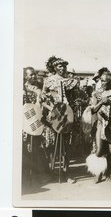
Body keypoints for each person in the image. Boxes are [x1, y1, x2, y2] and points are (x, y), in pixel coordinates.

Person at [41, 56, 78, 184]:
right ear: (54, 68)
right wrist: (51, 109)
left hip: (67, 115)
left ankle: (66, 172)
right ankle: (52, 171)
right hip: (53, 114)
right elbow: (43, 99)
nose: (62, 68)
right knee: (53, 144)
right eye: (59, 66)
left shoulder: (70, 81)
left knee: (67, 145)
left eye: (64, 66)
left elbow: (74, 99)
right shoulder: (48, 81)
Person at [86, 67, 111, 183]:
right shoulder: (96, 93)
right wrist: (101, 102)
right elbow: (93, 110)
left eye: (107, 81)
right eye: (103, 81)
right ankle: (98, 172)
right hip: (100, 124)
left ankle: (108, 175)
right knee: (99, 150)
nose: (104, 83)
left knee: (109, 151)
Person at [23, 67, 51, 185]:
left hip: (38, 120)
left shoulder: (39, 88)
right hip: (26, 120)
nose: (33, 76)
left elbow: (44, 102)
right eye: (31, 75)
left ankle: (38, 174)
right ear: (25, 76)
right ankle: (28, 175)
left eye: (34, 74)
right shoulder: (22, 88)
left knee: (39, 146)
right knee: (28, 148)